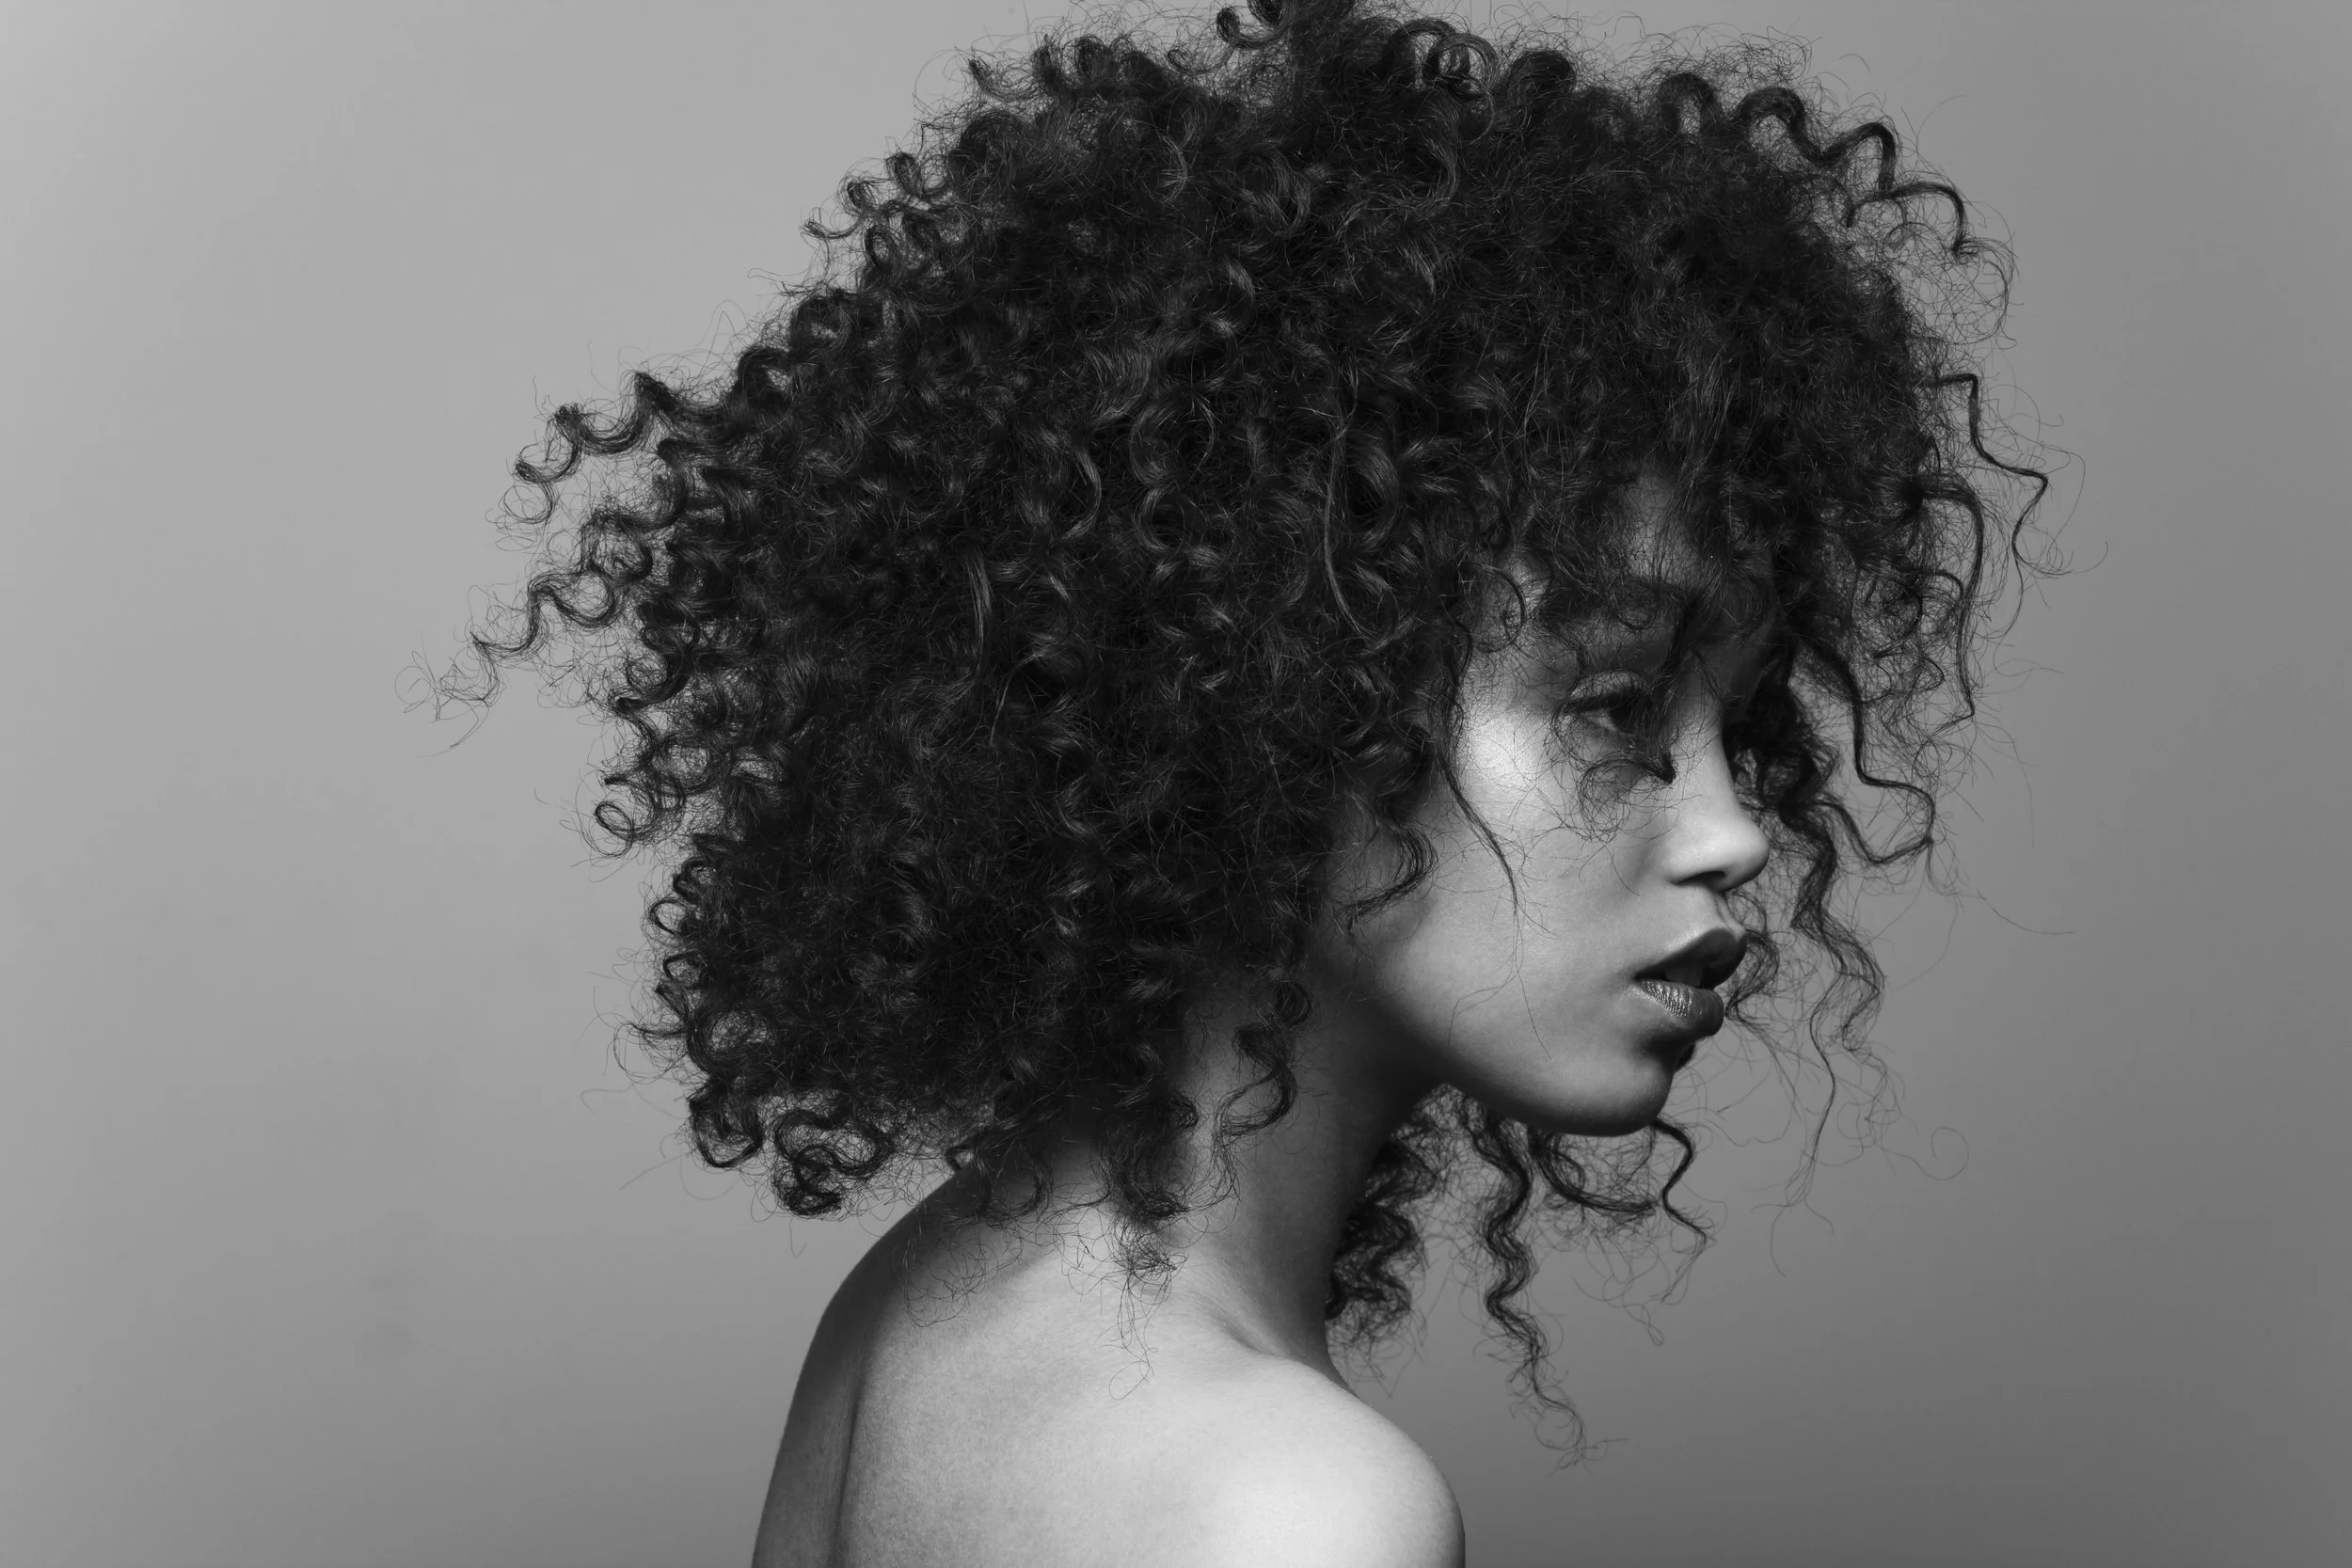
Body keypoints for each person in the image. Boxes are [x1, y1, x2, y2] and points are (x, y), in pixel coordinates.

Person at [451, 2, 2046, 1561]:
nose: (1735, 829)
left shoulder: (917, 1315)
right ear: (1287, 692)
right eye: (1618, 703)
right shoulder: (1291, 1515)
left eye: (1736, 721)